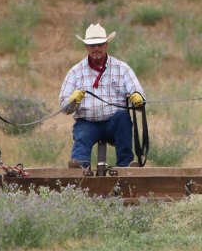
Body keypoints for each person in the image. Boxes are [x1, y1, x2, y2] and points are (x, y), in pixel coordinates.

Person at [59, 23, 145, 169]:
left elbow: (138, 93)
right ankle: (80, 166)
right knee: (82, 135)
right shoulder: (75, 71)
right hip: (87, 122)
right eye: (92, 45)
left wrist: (138, 98)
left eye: (99, 44)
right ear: (86, 47)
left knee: (123, 118)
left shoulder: (122, 68)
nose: (96, 48)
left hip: (114, 123)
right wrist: (72, 101)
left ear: (106, 45)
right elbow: (64, 107)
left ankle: (126, 165)